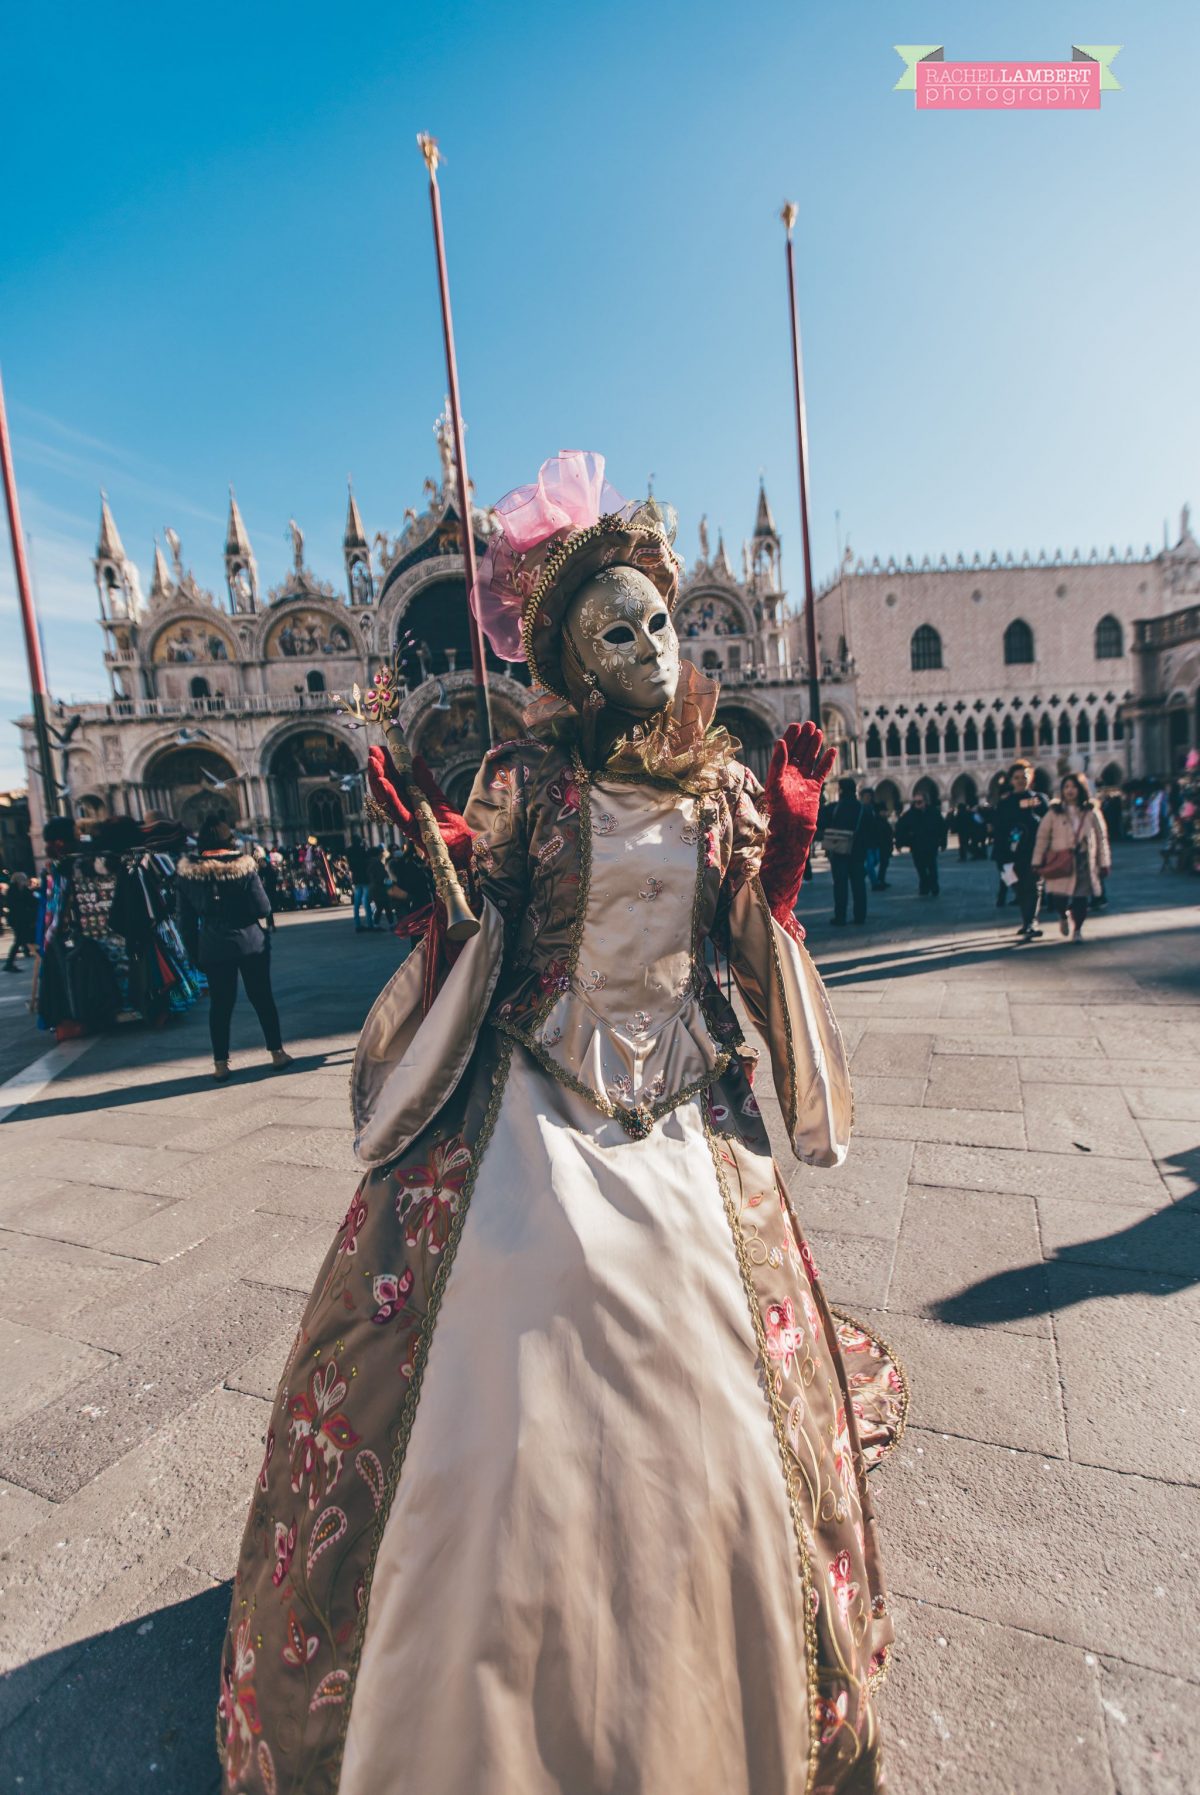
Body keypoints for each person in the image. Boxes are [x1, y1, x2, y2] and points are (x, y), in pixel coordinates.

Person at [215, 452, 903, 1795]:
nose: (650, 645)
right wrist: (442, 855)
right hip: (525, 1095)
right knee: (503, 1333)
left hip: (682, 1106)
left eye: (660, 621)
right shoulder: (528, 777)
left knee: (716, 1363)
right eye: (617, 630)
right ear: (575, 661)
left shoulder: (715, 783)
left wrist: (783, 859)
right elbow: (483, 924)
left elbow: (735, 941)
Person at [176, 818, 293, 1082]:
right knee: (262, 998)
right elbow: (263, 909)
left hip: (213, 946)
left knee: (220, 1005)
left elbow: (185, 922)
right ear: (229, 841)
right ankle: (277, 1053)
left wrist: (196, 953)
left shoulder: (187, 874)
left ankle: (220, 1064)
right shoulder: (244, 868)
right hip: (250, 943)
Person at [1032, 771, 1112, 942]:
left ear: (1081, 789)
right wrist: (1037, 861)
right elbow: (1042, 837)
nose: (1070, 790)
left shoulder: (1091, 812)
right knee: (1059, 896)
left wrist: (1104, 862)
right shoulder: (1054, 812)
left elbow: (1101, 837)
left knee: (1081, 897)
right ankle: (1063, 915)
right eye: (1066, 787)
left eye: (1074, 787)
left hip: (1083, 859)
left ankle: (1078, 930)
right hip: (1061, 859)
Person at [992, 760, 1048, 942]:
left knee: (1033, 887)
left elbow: (1048, 822)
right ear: (1011, 780)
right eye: (1016, 777)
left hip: (1035, 850)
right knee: (1019, 888)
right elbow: (999, 829)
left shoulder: (1039, 799)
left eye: (1024, 776)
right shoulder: (1006, 803)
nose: (1020, 780)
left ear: (1030, 777)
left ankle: (1031, 922)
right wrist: (1000, 856)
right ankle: (1027, 921)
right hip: (1012, 853)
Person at [823, 773, 872, 925]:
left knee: (840, 885)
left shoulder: (834, 807)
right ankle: (860, 916)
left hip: (838, 852)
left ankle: (840, 916)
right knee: (858, 884)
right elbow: (871, 830)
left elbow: (821, 822)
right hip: (858, 853)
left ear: (841, 790)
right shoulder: (863, 809)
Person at [894, 792, 947, 896]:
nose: (917, 804)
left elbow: (942, 827)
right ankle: (924, 886)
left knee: (932, 867)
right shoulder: (909, 814)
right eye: (915, 802)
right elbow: (900, 828)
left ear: (925, 802)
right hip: (917, 846)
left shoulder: (933, 812)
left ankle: (934, 886)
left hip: (931, 845)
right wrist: (899, 843)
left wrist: (943, 842)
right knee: (920, 868)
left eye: (919, 802)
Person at [3, 871, 36, 971]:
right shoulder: (13, 890)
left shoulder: (22, 889)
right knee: (19, 940)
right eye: (23, 879)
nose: (25, 881)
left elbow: (31, 900)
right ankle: (9, 963)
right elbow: (15, 904)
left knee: (21, 939)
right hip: (18, 919)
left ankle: (10, 962)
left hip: (21, 918)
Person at [346, 833, 372, 930]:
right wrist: (366, 846)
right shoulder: (362, 849)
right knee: (366, 902)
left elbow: (350, 865)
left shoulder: (349, 851)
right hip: (364, 877)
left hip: (356, 878)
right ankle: (370, 923)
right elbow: (368, 859)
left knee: (357, 903)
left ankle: (357, 924)